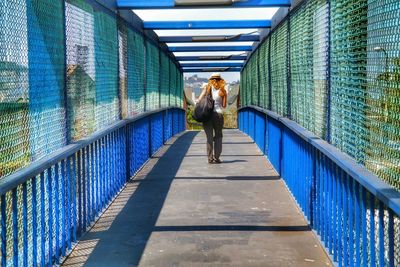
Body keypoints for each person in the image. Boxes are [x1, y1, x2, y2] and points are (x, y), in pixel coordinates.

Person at [198, 73, 228, 164]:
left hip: (207, 115)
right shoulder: (223, 90)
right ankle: (217, 157)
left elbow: (199, 100)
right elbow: (224, 105)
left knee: (209, 138)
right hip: (218, 115)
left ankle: (210, 158)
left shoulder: (207, 88)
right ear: (220, 80)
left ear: (211, 79)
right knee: (218, 136)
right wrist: (224, 96)